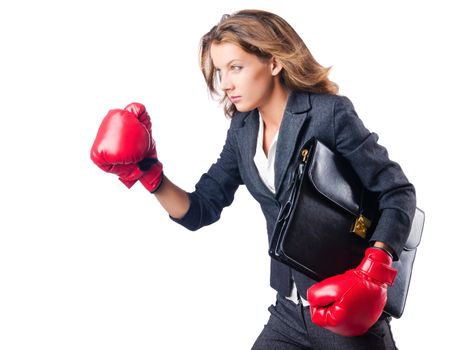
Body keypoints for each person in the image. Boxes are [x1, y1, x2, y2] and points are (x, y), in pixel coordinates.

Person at [90, 9, 416, 350]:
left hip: (347, 311)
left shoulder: (328, 114)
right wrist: (150, 174)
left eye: (236, 67)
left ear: (273, 62)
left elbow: (397, 192)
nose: (226, 83)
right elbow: (202, 207)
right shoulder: (243, 130)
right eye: (219, 71)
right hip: (288, 313)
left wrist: (374, 268)